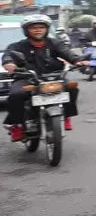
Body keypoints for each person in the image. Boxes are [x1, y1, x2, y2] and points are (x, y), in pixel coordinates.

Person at [3, 14, 88, 142]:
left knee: (72, 87)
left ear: (47, 29)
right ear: (26, 30)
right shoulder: (18, 46)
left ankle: (65, 116)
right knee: (16, 95)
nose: (38, 30)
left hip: (53, 77)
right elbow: (8, 55)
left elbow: (66, 52)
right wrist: (9, 64)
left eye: (41, 27)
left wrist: (77, 61)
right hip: (27, 77)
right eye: (34, 27)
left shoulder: (54, 43)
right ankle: (17, 125)